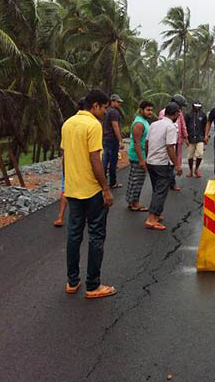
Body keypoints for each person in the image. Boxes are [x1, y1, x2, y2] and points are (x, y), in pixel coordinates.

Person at [60, 89, 117, 299]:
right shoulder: (93, 125)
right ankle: (93, 285)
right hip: (92, 190)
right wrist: (105, 188)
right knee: (96, 235)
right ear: (95, 106)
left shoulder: (68, 123)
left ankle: (72, 281)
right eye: (104, 108)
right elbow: (95, 158)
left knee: (74, 234)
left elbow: (64, 157)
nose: (105, 112)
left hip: (73, 189)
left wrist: (67, 181)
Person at [145, 102, 183, 230]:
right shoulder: (171, 127)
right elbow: (170, 147)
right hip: (162, 163)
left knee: (156, 189)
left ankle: (156, 213)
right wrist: (177, 165)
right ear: (175, 113)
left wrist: (148, 157)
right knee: (161, 191)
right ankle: (151, 219)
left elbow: (147, 143)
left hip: (151, 162)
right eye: (178, 114)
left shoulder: (154, 124)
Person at [126, 100, 154, 212]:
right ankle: (134, 203)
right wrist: (141, 160)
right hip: (138, 156)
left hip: (141, 155)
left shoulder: (144, 121)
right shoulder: (139, 124)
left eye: (151, 110)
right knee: (137, 180)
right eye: (148, 110)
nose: (150, 112)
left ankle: (132, 201)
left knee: (135, 179)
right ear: (141, 110)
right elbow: (136, 143)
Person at [158, 94, 187, 191]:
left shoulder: (180, 113)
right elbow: (161, 127)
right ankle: (166, 182)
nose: (181, 108)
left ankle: (172, 182)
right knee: (167, 161)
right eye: (180, 106)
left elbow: (182, 125)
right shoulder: (163, 113)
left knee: (174, 161)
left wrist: (185, 136)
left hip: (177, 141)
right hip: (167, 142)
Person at [102, 94, 125, 189]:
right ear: (113, 101)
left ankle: (102, 182)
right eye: (118, 102)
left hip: (105, 138)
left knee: (105, 160)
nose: (119, 104)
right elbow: (115, 126)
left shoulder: (105, 111)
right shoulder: (114, 112)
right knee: (112, 161)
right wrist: (120, 140)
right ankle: (112, 182)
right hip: (112, 139)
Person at [185, 100, 207, 178]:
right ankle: (191, 171)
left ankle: (196, 169)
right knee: (190, 156)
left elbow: (205, 126)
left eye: (198, 106)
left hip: (200, 137)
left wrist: (206, 136)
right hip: (190, 138)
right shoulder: (188, 115)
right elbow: (185, 126)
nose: (197, 107)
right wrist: (185, 137)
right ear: (193, 106)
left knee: (200, 154)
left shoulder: (203, 115)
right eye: (195, 106)